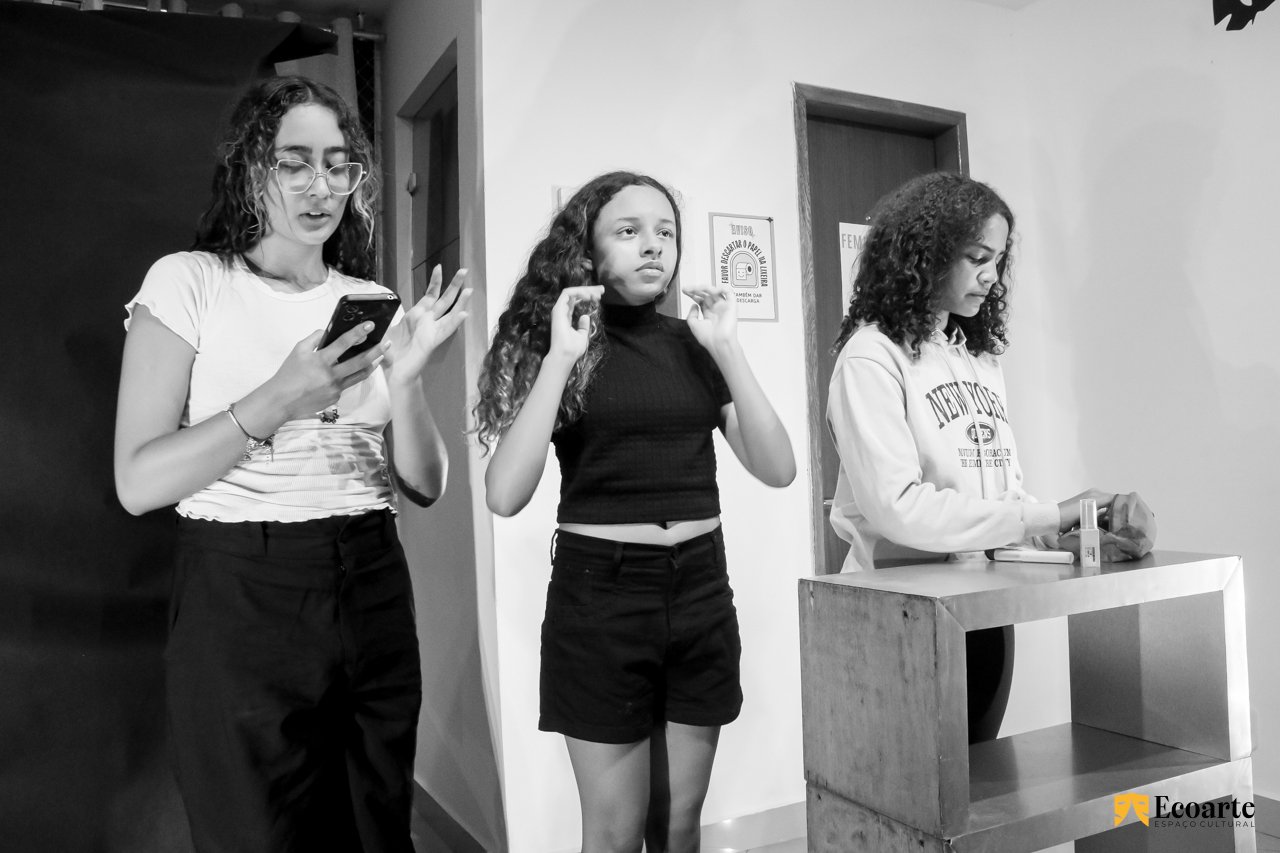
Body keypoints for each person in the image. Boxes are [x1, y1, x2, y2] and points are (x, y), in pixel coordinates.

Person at [113, 76, 470, 852]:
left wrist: (408, 380)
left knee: (376, 826)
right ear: (250, 167)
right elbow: (137, 481)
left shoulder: (368, 298)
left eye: (338, 165)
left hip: (371, 578)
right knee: (256, 834)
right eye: (295, 162)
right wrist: (280, 397)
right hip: (243, 589)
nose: (321, 186)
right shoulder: (191, 281)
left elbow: (426, 482)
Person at [474, 171, 795, 853]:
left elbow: (778, 468)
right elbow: (504, 493)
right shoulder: (563, 347)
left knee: (678, 827)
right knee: (615, 833)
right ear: (587, 250)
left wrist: (728, 347)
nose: (654, 246)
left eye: (666, 232)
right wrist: (560, 357)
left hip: (701, 588)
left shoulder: (694, 344)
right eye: (629, 231)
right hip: (602, 597)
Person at [826, 171, 1117, 742]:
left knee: (982, 777)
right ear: (926, 255)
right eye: (977, 257)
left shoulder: (979, 359)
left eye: (998, 260)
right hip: (900, 613)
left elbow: (1001, 497)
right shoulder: (871, 357)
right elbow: (899, 508)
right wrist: (1049, 514)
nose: (991, 276)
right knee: (912, 785)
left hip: (982, 606)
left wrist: (1070, 532)